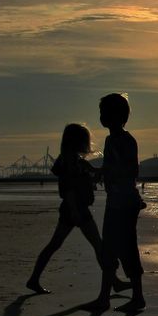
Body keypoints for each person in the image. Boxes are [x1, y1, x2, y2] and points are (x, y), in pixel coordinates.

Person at [26, 123, 131, 295]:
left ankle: (34, 279)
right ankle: (115, 282)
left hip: (74, 208)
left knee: (58, 244)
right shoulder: (70, 161)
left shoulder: (73, 160)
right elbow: (69, 188)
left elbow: (89, 176)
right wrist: (74, 210)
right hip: (76, 209)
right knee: (97, 245)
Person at [84, 93, 145, 312]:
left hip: (125, 203)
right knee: (109, 248)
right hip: (115, 202)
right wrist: (97, 172)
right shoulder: (111, 140)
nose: (101, 117)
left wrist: (108, 171)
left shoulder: (126, 140)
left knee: (126, 248)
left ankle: (137, 297)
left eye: (104, 113)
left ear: (117, 116)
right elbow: (111, 170)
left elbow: (131, 171)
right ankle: (104, 297)